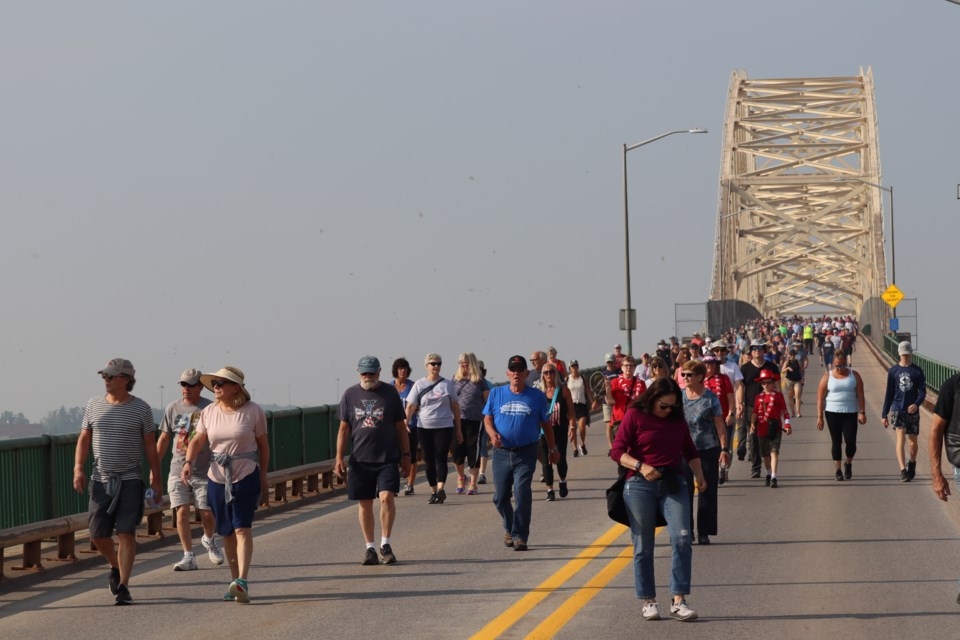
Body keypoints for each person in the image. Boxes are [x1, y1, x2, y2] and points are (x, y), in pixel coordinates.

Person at [611, 378, 705, 622]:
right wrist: (641, 466)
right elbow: (617, 451)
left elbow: (690, 451)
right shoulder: (635, 416)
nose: (668, 411)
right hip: (640, 484)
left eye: (673, 407)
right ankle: (648, 601)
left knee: (683, 537)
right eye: (664, 406)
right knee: (643, 544)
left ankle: (679, 600)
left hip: (673, 483)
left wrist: (700, 477)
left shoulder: (676, 420)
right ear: (652, 399)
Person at [72, 358, 163, 605]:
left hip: (130, 479)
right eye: (104, 376)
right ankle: (114, 565)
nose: (106, 380)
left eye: (111, 376)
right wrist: (78, 468)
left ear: (126, 379)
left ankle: (123, 585)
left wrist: (156, 478)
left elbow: (149, 446)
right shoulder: (93, 405)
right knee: (97, 533)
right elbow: (84, 438)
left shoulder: (141, 409)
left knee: (125, 532)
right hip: (100, 479)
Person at [181, 367, 268, 603]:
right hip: (217, 478)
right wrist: (188, 462)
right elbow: (198, 439)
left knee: (242, 528)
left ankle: (242, 580)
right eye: (215, 383)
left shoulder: (253, 411)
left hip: (245, 474)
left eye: (221, 383)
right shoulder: (208, 412)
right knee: (226, 531)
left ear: (236, 387)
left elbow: (263, 445)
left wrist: (263, 477)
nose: (216, 387)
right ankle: (234, 582)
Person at [335, 356, 411, 566]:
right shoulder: (350, 394)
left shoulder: (389, 393)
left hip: (387, 457)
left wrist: (407, 455)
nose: (368, 377)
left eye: (372, 373)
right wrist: (339, 457)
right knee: (365, 502)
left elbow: (400, 427)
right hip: (360, 459)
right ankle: (370, 548)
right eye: (364, 373)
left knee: (386, 497)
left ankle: (385, 544)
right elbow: (343, 429)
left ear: (379, 371)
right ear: (358, 372)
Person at [484, 355, 557, 550]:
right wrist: (492, 434)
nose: (516, 373)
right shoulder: (496, 393)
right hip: (501, 453)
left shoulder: (536, 396)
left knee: (522, 491)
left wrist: (553, 448)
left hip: (526, 452)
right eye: (512, 370)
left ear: (526, 373)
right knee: (500, 497)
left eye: (520, 370)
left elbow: (546, 424)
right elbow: (487, 419)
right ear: (508, 373)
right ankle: (510, 527)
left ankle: (520, 536)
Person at [155, 368, 223, 571]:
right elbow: (165, 438)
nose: (186, 389)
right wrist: (154, 466)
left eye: (191, 385)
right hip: (177, 468)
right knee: (181, 511)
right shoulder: (172, 408)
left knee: (206, 512)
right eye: (183, 385)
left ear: (201, 387)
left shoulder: (210, 408)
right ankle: (188, 556)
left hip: (203, 469)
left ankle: (209, 539)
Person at [679, 360, 728, 544]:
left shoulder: (710, 398)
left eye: (689, 375)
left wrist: (724, 449)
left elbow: (720, 425)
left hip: (707, 449)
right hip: (683, 451)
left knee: (706, 490)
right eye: (683, 374)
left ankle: (704, 532)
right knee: (683, 491)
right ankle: (686, 530)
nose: (685, 378)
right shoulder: (679, 397)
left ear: (700, 377)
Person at [405, 354, 463, 504]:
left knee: (441, 457)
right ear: (426, 366)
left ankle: (441, 488)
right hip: (424, 427)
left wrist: (458, 429)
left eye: (438, 363)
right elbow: (410, 406)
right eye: (433, 364)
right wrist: (406, 422)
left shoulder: (447, 384)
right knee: (428, 459)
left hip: (444, 426)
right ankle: (433, 490)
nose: (436, 366)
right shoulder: (419, 384)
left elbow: (455, 407)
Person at [816, 352, 866, 481]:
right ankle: (838, 470)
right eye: (837, 365)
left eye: (842, 365)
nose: (840, 368)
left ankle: (848, 463)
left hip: (850, 412)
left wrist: (862, 412)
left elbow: (860, 394)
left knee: (851, 443)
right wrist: (820, 417)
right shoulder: (827, 376)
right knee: (836, 441)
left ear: (846, 363)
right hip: (832, 413)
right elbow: (820, 398)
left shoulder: (854, 375)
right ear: (833, 363)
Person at [881, 341, 926, 482]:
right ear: (899, 354)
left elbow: (922, 392)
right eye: (903, 354)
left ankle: (912, 462)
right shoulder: (893, 371)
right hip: (897, 409)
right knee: (900, 439)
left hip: (912, 411)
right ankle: (902, 470)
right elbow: (888, 393)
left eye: (907, 354)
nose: (905, 356)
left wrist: (916, 404)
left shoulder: (917, 371)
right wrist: (884, 414)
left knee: (912, 442)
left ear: (911, 354)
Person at [738, 342, 781, 478]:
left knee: (769, 437)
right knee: (753, 438)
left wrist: (779, 404)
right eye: (754, 349)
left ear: (764, 351)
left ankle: (770, 467)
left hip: (770, 406)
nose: (757, 351)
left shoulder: (772, 367)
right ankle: (756, 467)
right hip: (751, 407)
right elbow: (740, 387)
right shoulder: (744, 368)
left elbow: (778, 386)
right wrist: (740, 403)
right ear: (751, 352)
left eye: (760, 349)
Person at [535, 363, 576, 501]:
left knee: (560, 458)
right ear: (542, 375)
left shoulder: (564, 391)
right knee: (546, 461)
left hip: (560, 430)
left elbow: (571, 413)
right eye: (545, 372)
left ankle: (562, 481)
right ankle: (550, 490)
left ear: (556, 374)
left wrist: (572, 428)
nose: (548, 375)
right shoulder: (539, 393)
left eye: (551, 372)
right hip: (543, 432)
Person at [452, 352, 488, 495]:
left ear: (471, 363)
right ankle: (461, 476)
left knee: (473, 450)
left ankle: (473, 482)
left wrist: (487, 418)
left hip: (474, 420)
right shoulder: (454, 379)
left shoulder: (480, 380)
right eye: (460, 362)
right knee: (456, 451)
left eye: (465, 362)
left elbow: (487, 400)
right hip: (456, 419)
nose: (462, 364)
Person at [750, 369, 792, 487]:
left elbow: (785, 412)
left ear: (773, 383)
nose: (766, 385)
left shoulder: (778, 396)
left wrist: (787, 424)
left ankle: (774, 476)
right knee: (765, 454)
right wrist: (753, 424)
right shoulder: (758, 397)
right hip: (762, 428)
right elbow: (754, 413)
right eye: (764, 383)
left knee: (774, 452)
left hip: (775, 428)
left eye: (769, 382)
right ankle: (768, 473)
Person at [702, 355, 735, 485]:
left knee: (725, 445)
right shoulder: (700, 380)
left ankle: (723, 469)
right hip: (706, 421)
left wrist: (731, 414)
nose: (708, 365)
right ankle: (713, 473)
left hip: (723, 418)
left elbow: (730, 398)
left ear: (716, 364)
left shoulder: (723, 378)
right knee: (711, 449)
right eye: (706, 363)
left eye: (711, 363)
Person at [605, 355, 647, 452]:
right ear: (622, 367)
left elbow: (645, 403)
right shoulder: (615, 382)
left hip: (636, 422)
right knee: (621, 451)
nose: (628, 367)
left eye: (631, 365)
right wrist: (607, 389)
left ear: (634, 368)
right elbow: (610, 402)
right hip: (620, 422)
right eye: (626, 365)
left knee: (635, 450)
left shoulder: (641, 383)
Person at [392, 357, 420, 495]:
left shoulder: (413, 386)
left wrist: (409, 416)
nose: (402, 371)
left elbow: (419, 405)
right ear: (395, 371)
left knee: (411, 455)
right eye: (400, 368)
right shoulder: (390, 387)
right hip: (394, 428)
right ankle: (394, 485)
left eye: (404, 369)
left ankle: (410, 484)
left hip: (411, 426)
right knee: (394, 456)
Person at [566, 359, 596, 457]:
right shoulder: (567, 379)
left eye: (576, 366)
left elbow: (588, 391)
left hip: (582, 404)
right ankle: (575, 449)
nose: (574, 368)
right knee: (573, 427)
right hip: (571, 405)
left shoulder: (583, 378)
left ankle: (582, 443)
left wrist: (592, 402)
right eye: (572, 366)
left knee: (582, 425)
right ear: (569, 368)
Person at [601, 353, 622, 425]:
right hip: (607, 401)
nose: (609, 364)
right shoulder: (603, 374)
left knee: (620, 423)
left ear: (615, 361)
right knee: (609, 424)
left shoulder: (620, 371)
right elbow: (600, 389)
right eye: (608, 362)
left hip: (619, 400)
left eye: (611, 362)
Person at [783, 350, 804, 417]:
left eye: (794, 355)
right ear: (789, 355)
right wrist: (787, 368)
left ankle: (798, 412)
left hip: (797, 380)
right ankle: (793, 412)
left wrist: (802, 378)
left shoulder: (798, 362)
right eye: (791, 355)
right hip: (789, 381)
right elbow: (782, 371)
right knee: (790, 397)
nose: (792, 356)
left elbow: (801, 370)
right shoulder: (787, 362)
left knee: (797, 395)